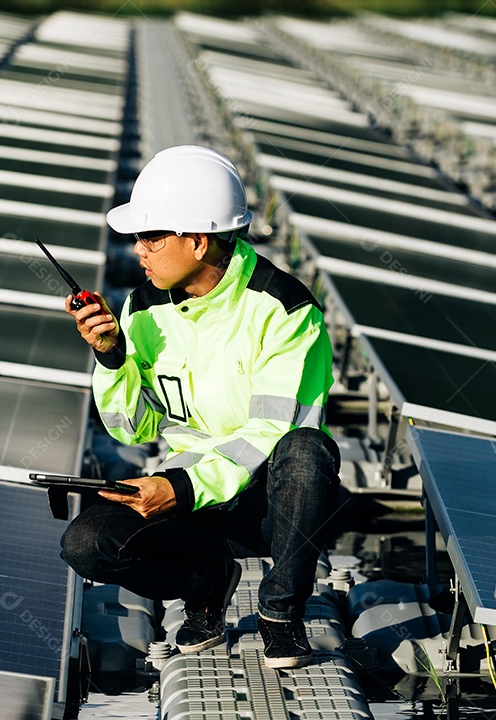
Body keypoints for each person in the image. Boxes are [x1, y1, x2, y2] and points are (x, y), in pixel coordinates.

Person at [59, 145, 340, 669]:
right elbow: (129, 429)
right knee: (85, 543)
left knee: (308, 451)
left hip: (272, 503)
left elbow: (272, 433)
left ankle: (281, 614)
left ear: (197, 240)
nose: (138, 249)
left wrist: (182, 487)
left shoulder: (284, 309)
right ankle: (207, 583)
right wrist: (112, 358)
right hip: (194, 498)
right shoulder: (143, 307)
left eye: (151, 236)